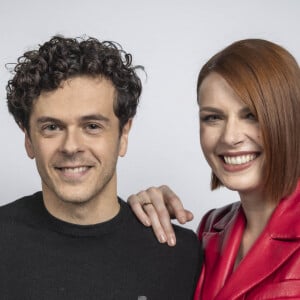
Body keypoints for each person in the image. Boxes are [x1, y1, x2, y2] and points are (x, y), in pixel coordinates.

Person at [1, 35, 202, 299]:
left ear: (123, 135)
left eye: (92, 126)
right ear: (28, 139)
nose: (71, 146)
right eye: (52, 127)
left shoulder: (180, 254)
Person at [128, 38, 300, 299]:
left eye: (250, 115)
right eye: (213, 118)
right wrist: (140, 220)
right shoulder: (211, 228)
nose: (230, 137)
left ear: (288, 117)